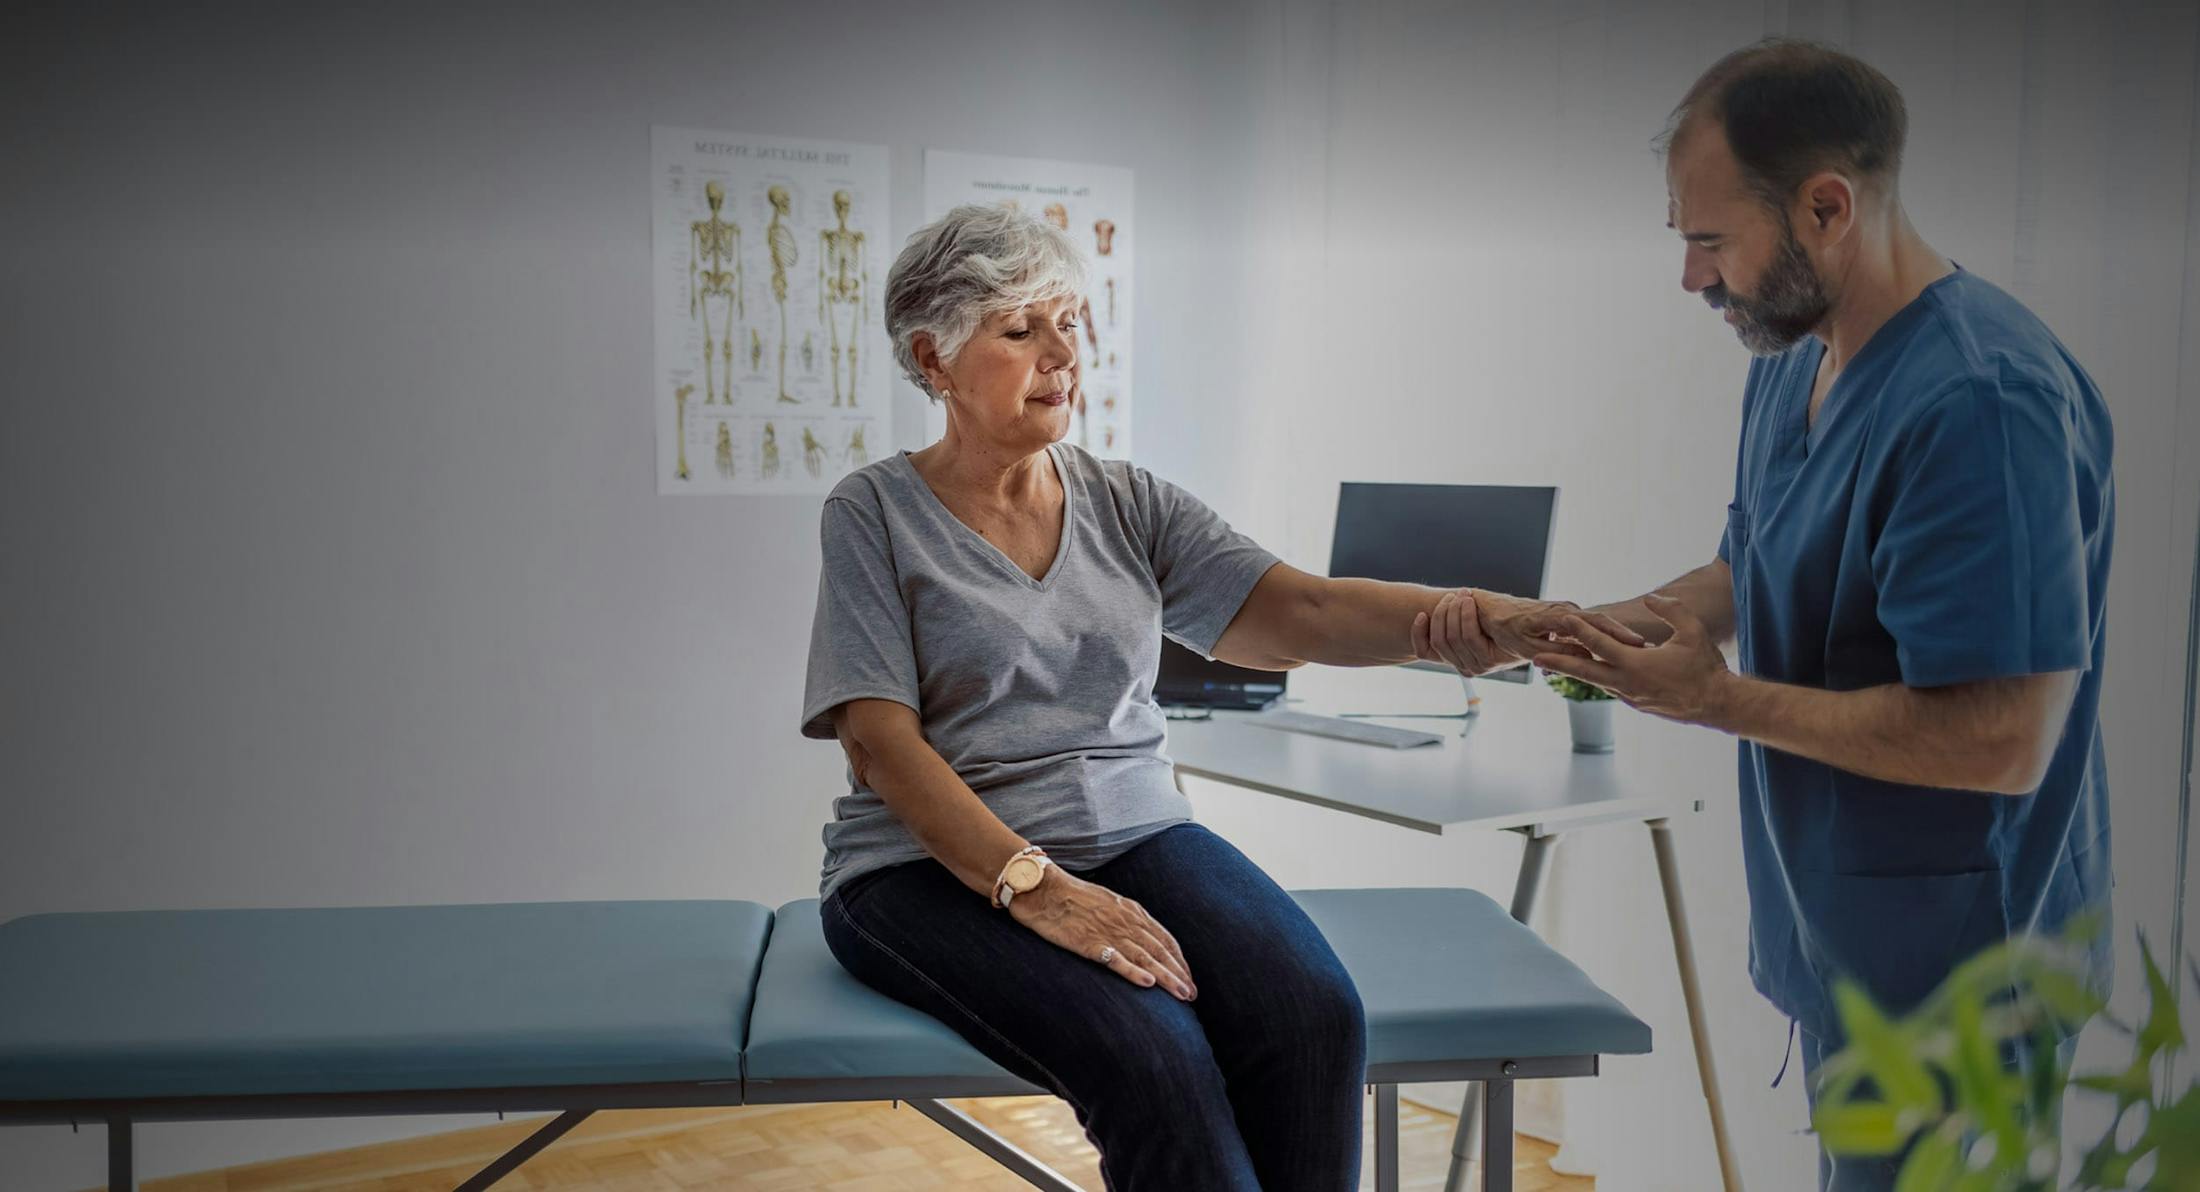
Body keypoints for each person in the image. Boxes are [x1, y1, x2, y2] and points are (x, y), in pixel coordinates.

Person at [799, 202, 1628, 1190]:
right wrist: (1039, 888)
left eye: (1068, 318)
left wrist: (1481, 619)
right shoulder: (873, 512)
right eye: (1020, 329)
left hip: (1134, 829)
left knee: (1315, 1014)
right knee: (1152, 1057)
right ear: (932, 361)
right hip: (922, 870)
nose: (1063, 352)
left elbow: (1303, 610)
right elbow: (880, 745)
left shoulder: (1124, 499)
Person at [1418, 39, 2114, 1190]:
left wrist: (1716, 701)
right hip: (1848, 947)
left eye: (1707, 240)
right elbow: (1761, 565)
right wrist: (1587, 629)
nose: (1692, 278)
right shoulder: (1795, 361)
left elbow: (2002, 735)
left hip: (1966, 992)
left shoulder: (1983, 406)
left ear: (1826, 207)